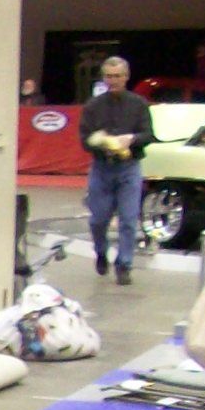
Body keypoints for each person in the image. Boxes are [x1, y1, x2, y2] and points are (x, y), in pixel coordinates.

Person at [78, 56, 155, 284]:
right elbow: (84, 141)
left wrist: (131, 138)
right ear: (104, 78)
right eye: (109, 76)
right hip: (102, 168)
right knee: (98, 220)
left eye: (118, 76)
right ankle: (101, 252)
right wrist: (101, 141)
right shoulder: (93, 106)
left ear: (126, 77)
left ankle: (124, 264)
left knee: (129, 219)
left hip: (129, 168)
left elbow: (148, 135)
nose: (114, 81)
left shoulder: (139, 104)